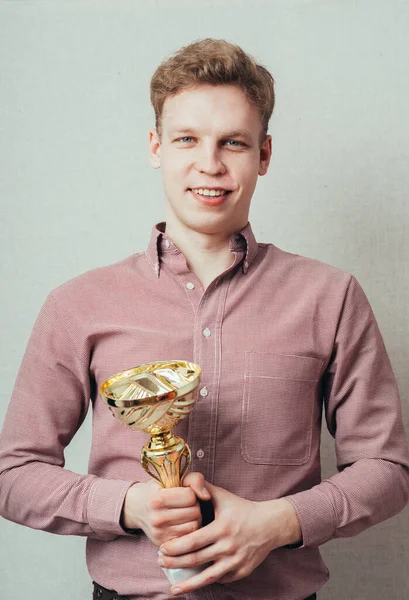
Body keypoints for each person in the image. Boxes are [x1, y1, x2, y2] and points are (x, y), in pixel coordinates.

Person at [1, 38, 408, 600]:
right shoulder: (78, 304)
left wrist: (281, 522)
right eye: (187, 139)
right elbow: (13, 474)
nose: (210, 164)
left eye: (233, 143)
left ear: (264, 155)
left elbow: (387, 469)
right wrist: (127, 506)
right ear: (156, 147)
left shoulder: (331, 297)